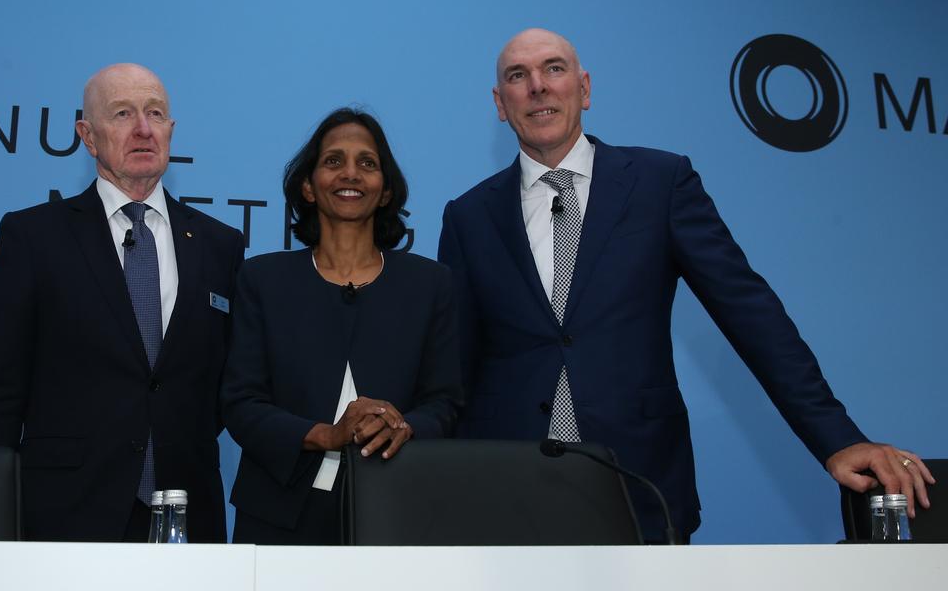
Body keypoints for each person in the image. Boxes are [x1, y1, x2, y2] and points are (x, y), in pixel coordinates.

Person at [438, 28, 935, 542]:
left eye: (554, 69)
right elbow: (453, 366)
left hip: (639, 482)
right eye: (518, 76)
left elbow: (750, 312)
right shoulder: (468, 216)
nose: (538, 86)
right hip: (506, 489)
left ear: (584, 88)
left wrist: (838, 439)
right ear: (501, 103)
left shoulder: (660, 181)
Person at [0, 63, 244, 542]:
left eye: (155, 113)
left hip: (187, 510)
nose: (142, 128)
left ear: (171, 132)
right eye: (122, 114)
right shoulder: (33, 238)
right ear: (87, 136)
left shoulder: (221, 245)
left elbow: (228, 382)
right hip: (66, 510)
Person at [222, 108, 461, 544]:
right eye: (333, 161)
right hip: (278, 516)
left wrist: (404, 426)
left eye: (367, 163)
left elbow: (445, 402)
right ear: (308, 187)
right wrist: (326, 436)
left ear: (386, 190)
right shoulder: (262, 279)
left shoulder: (430, 284)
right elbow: (241, 403)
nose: (350, 174)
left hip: (401, 513)